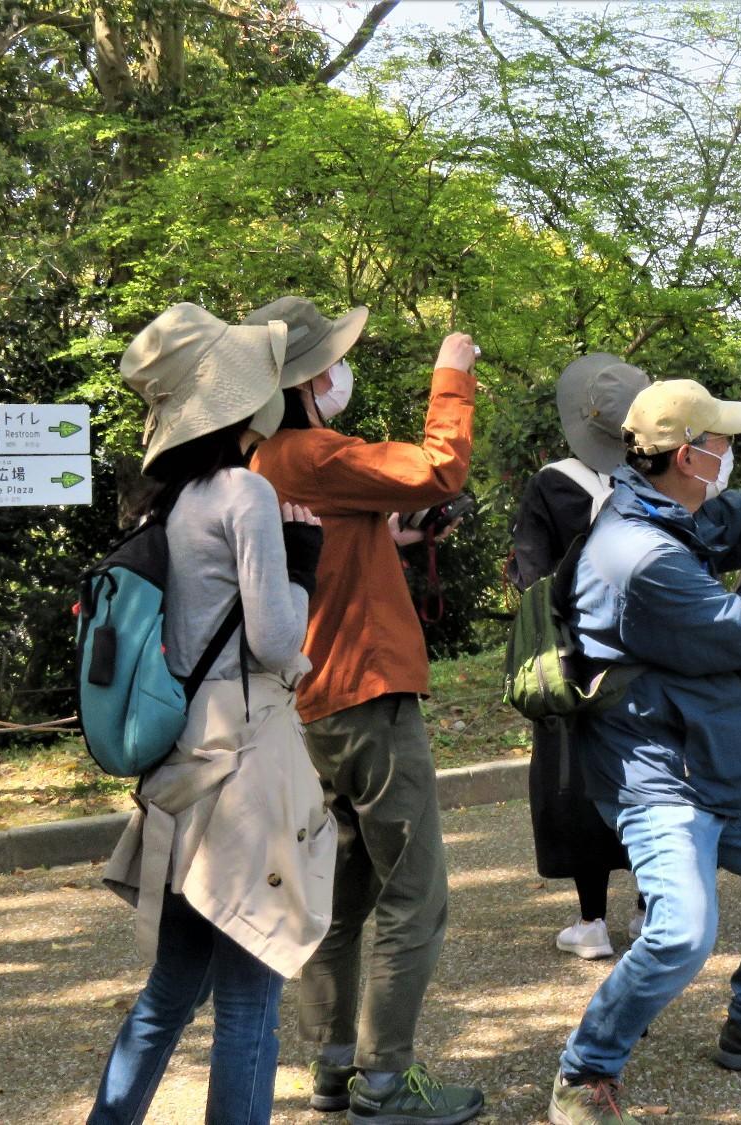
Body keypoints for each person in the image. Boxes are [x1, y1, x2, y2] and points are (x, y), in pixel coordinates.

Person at [548, 378, 741, 1125]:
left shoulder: (664, 508)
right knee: (683, 931)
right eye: (722, 443)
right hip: (658, 775)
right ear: (688, 454)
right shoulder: (639, 553)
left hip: (710, 757)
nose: (731, 454)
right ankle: (583, 1070)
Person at [90, 302, 335, 1124]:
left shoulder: (168, 503)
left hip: (181, 768)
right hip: (243, 769)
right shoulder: (246, 493)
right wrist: (305, 566)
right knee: (248, 1006)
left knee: (168, 995)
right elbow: (274, 640)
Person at [247, 296, 483, 1123]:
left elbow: (327, 553)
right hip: (367, 695)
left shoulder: (259, 459)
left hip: (308, 702)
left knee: (339, 895)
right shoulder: (314, 450)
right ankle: (387, 1079)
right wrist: (453, 372)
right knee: (414, 890)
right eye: (333, 360)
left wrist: (399, 539)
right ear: (312, 378)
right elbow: (439, 467)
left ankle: (334, 1065)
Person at [510, 354, 651, 959]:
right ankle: (652, 907)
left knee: (575, 781)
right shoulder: (649, 478)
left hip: (574, 659)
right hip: (644, 653)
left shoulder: (549, 483)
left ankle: (591, 922)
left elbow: (530, 576)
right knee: (648, 778)